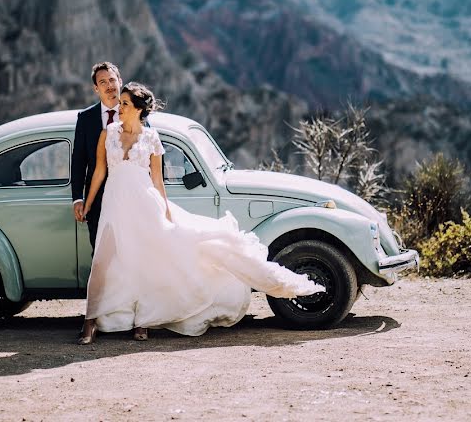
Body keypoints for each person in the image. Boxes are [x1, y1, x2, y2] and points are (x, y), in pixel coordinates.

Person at [78, 83, 323, 343]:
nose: (120, 107)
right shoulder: (109, 133)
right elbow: (99, 172)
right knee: (104, 260)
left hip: (144, 202)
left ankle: (143, 321)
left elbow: (157, 180)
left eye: (125, 104)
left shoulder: (151, 138)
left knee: (145, 260)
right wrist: (89, 203)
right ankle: (90, 321)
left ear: (138, 110)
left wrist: (166, 210)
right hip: (115, 201)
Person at [71, 62, 121, 249]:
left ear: (120, 81)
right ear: (96, 88)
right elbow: (78, 161)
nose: (109, 86)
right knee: (100, 251)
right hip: (96, 199)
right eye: (103, 82)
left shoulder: (133, 113)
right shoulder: (85, 118)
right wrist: (78, 198)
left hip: (128, 195)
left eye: (112, 80)